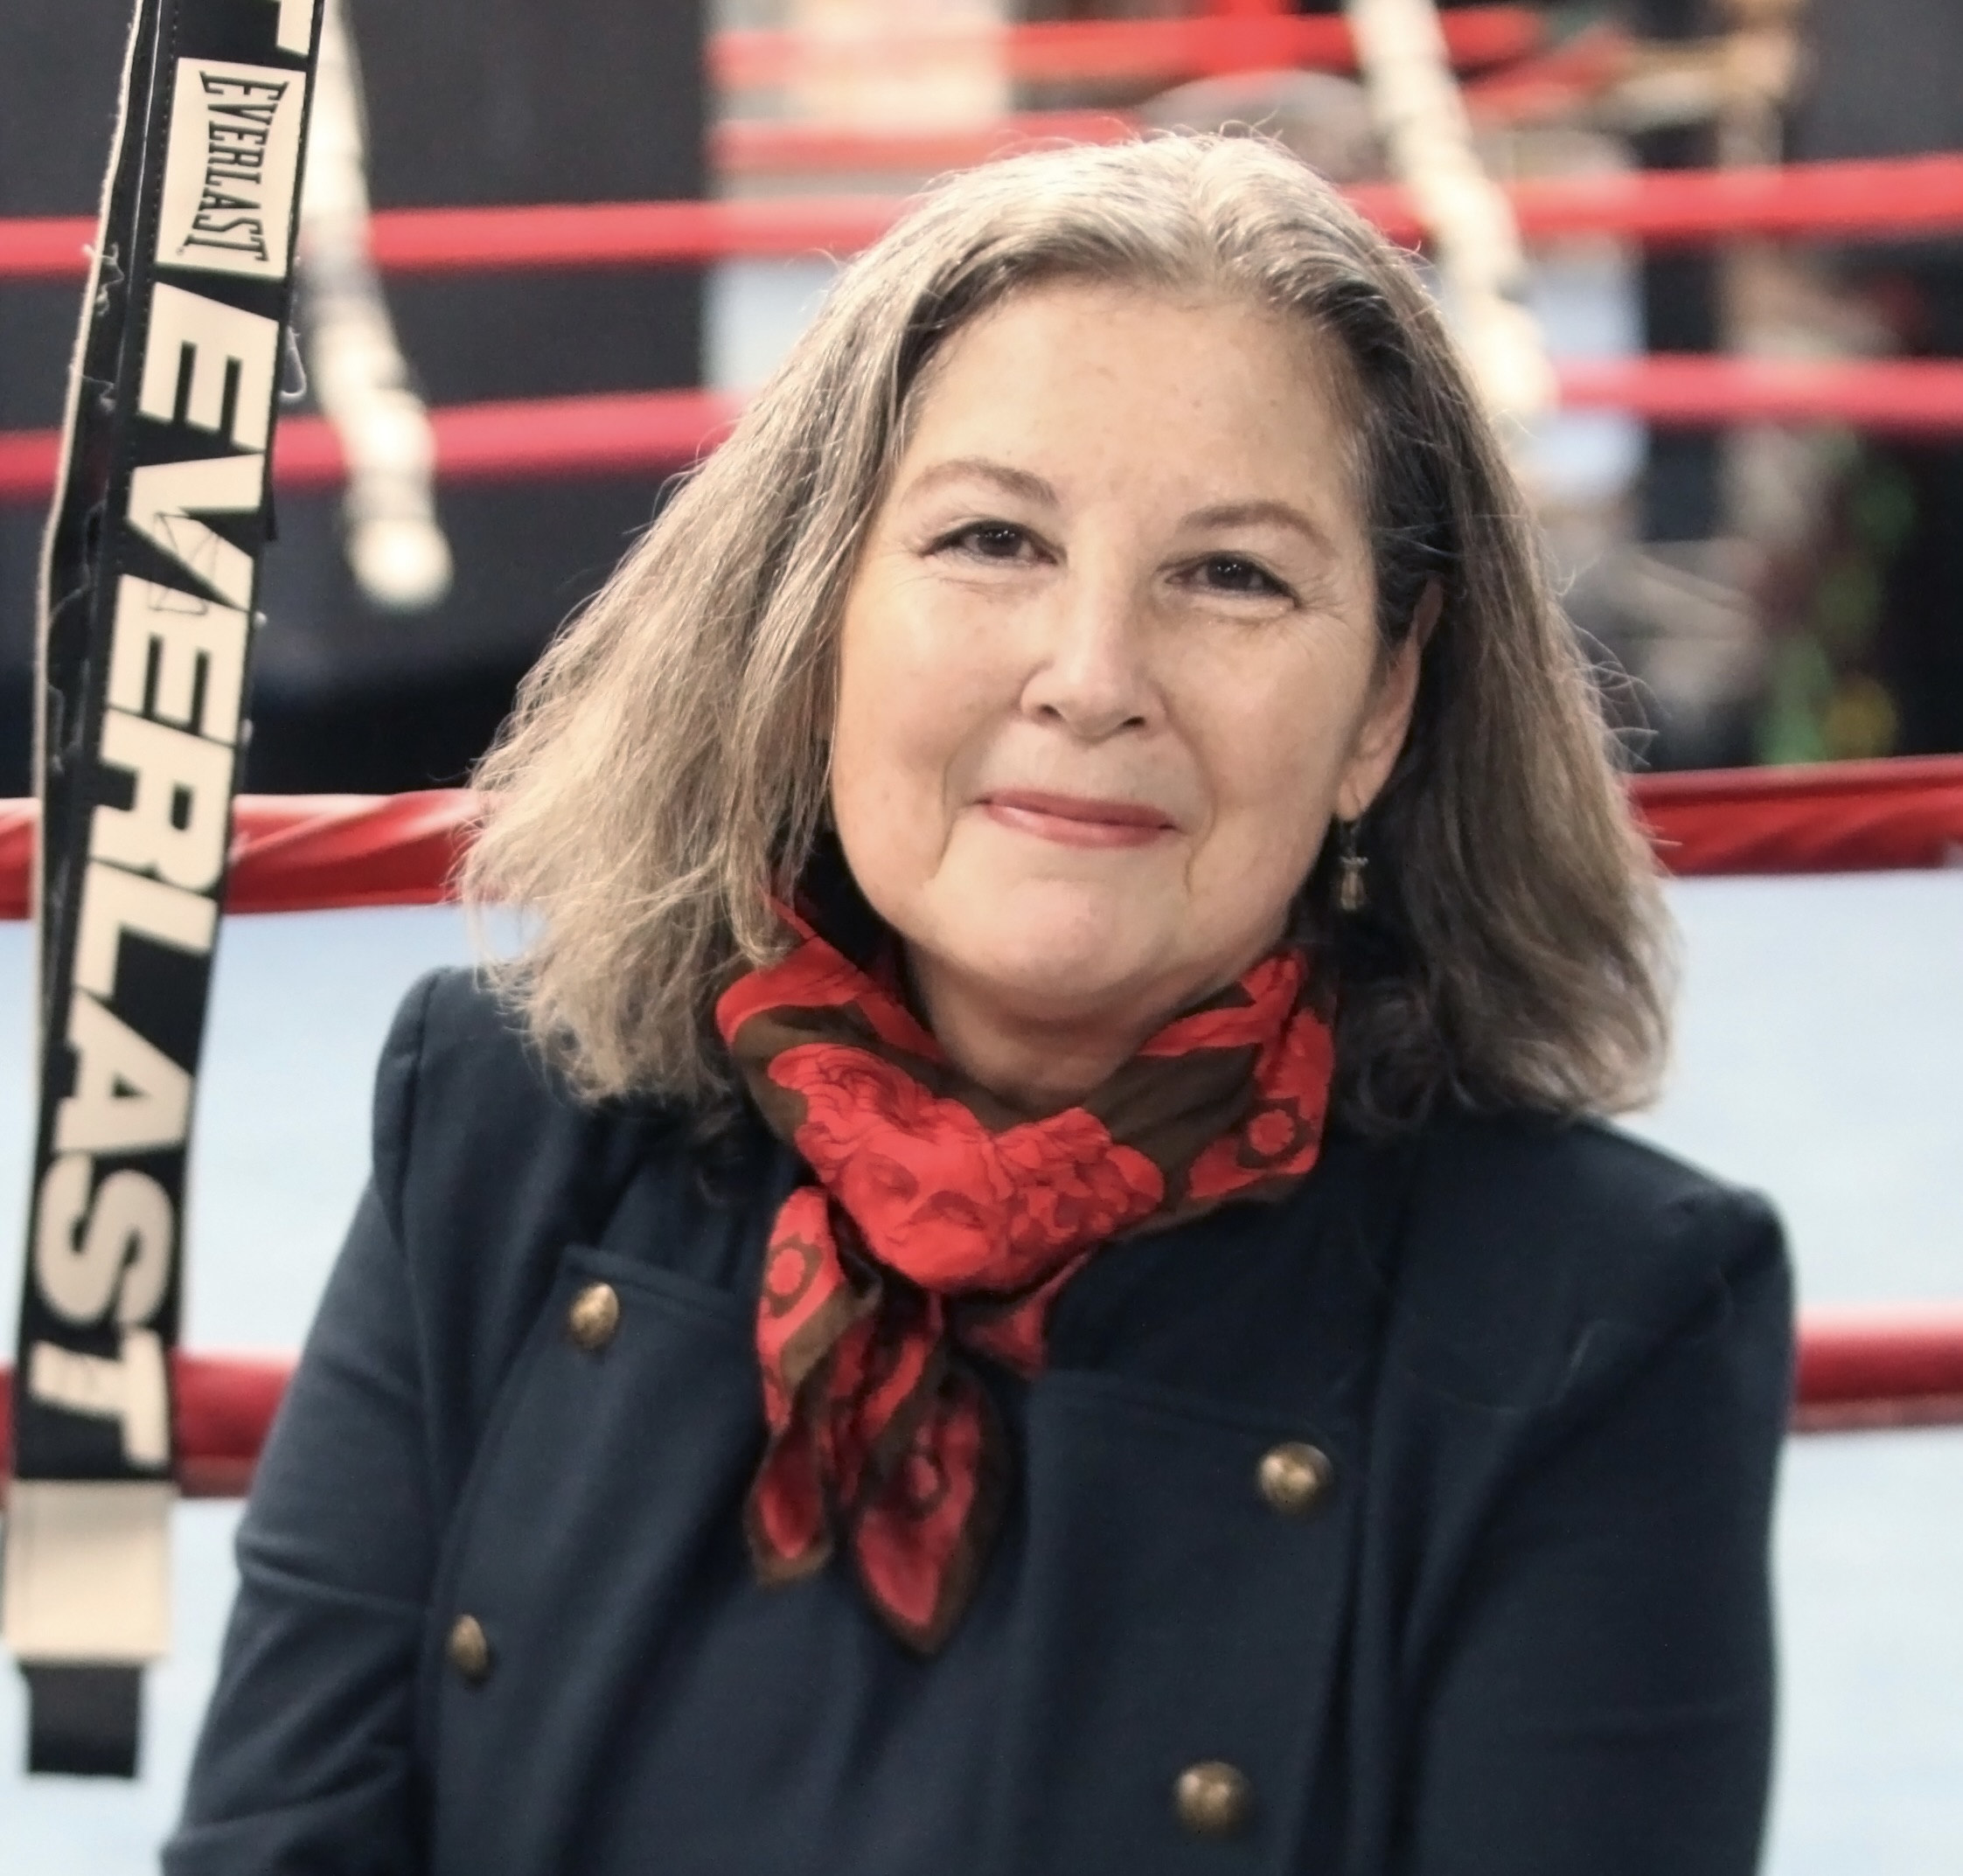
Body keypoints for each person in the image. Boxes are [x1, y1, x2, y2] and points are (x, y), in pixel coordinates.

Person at [164, 134, 1792, 1876]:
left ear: (1384, 701)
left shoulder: (1594, 1314)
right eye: (992, 539)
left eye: (1232, 574)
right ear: (815, 616)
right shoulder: (500, 1128)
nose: (1091, 677)